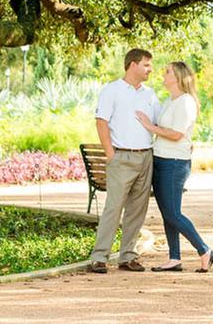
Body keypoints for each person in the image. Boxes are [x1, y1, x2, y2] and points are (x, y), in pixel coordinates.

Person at [135, 61, 213, 273]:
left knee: (173, 214)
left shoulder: (186, 102)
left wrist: (150, 127)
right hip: (161, 159)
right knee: (168, 213)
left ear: (179, 77)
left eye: (167, 71)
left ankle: (204, 250)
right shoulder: (171, 100)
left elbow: (177, 134)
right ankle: (174, 258)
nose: (163, 73)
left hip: (174, 163)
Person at [88, 48, 161, 274]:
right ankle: (99, 257)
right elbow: (101, 123)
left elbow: (158, 123)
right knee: (113, 208)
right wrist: (111, 154)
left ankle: (128, 256)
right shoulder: (112, 90)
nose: (151, 69)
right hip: (121, 156)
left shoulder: (150, 94)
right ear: (132, 65)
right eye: (146, 65)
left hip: (145, 156)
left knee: (137, 209)